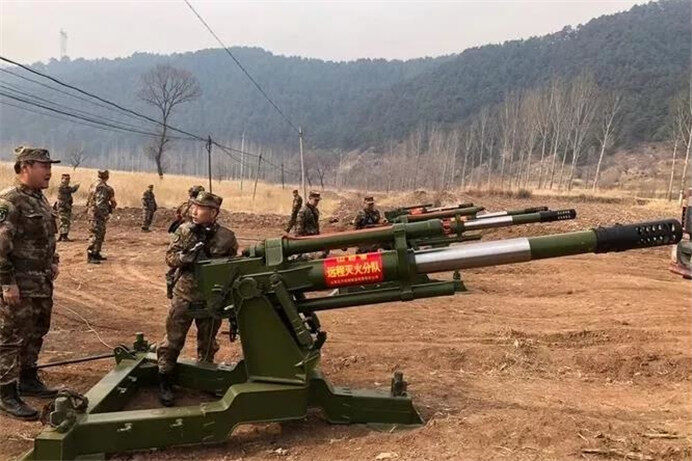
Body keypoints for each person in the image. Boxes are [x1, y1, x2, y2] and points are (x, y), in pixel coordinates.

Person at [157, 192, 238, 407]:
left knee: (208, 342)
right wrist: (184, 258)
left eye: (200, 208)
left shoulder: (227, 237)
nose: (194, 211)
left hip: (211, 299)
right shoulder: (184, 231)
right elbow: (170, 258)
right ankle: (165, 380)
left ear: (213, 212)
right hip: (184, 295)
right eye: (193, 206)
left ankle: (206, 377)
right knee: (173, 340)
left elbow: (232, 268)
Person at [0, 146, 61, 420]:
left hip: (40, 283)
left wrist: (54, 260)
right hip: (19, 285)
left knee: (36, 331)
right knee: (10, 337)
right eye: (43, 166)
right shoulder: (10, 201)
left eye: (50, 166)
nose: (49, 171)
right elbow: (1, 246)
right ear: (25, 167)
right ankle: (6, 393)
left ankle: (27, 378)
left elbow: (47, 236)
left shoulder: (39, 199)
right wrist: (6, 283)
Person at [86, 170, 116, 264]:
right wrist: (106, 214)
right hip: (97, 214)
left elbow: (89, 200)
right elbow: (100, 203)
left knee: (100, 233)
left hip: (93, 212)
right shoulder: (102, 187)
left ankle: (96, 253)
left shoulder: (94, 184)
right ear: (107, 176)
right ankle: (91, 255)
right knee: (96, 234)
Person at [55, 173, 79, 241]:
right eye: (65, 179)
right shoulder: (62, 187)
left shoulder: (65, 187)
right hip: (63, 206)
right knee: (64, 221)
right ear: (62, 179)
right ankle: (64, 236)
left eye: (68, 179)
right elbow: (71, 190)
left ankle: (62, 236)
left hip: (65, 206)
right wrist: (76, 186)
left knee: (64, 221)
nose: (67, 181)